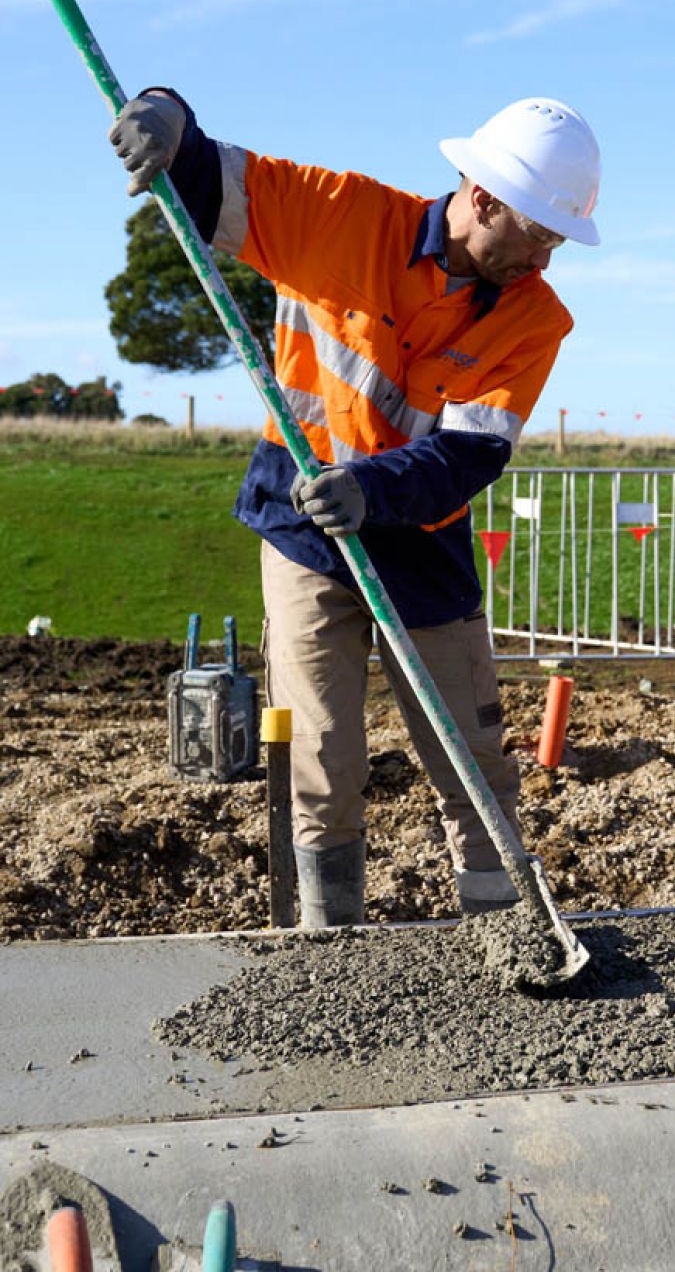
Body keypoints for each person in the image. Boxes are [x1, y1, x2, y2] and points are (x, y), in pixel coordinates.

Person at [109, 88, 602, 926]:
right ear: (481, 198)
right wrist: (163, 113)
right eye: (538, 235)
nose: (545, 260)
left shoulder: (537, 320)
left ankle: (506, 933)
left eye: (559, 240)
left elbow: (469, 453)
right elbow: (206, 174)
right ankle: (329, 941)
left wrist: (373, 489)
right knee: (319, 753)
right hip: (305, 526)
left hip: (422, 538)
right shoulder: (339, 216)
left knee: (475, 757)